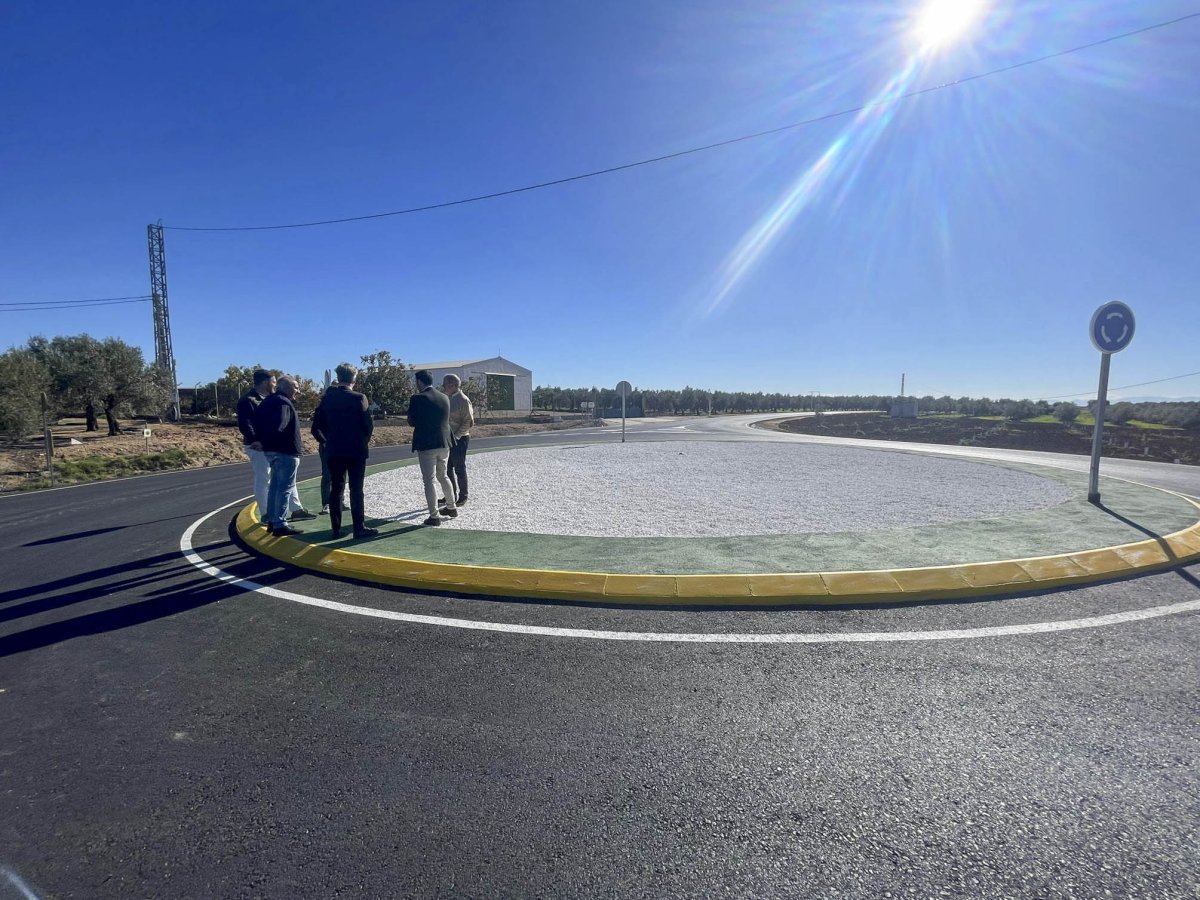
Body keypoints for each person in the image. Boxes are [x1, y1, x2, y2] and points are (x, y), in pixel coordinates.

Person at [236, 369, 315, 525]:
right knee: (264, 478)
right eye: (273, 382)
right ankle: (266, 514)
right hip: (259, 445)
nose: (275, 385)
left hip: (272, 444)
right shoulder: (249, 400)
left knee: (284, 478)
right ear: (266, 382)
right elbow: (246, 424)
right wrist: (257, 441)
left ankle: (295, 509)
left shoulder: (271, 399)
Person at [311, 363, 377, 540]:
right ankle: (358, 527)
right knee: (356, 489)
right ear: (354, 378)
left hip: (334, 450)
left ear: (338, 378)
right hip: (356, 450)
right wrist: (364, 440)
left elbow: (315, 427)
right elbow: (367, 425)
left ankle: (336, 528)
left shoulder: (327, 398)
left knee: (336, 489)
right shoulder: (359, 398)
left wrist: (325, 442)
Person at [253, 375, 305, 536]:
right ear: (286, 387)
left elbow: (256, 423)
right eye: (295, 387)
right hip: (285, 451)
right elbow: (280, 425)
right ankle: (280, 523)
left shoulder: (267, 402)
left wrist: (262, 441)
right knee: (284, 488)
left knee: (275, 487)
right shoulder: (283, 402)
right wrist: (266, 440)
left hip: (271, 451)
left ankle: (272, 520)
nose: (298, 390)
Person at [407, 369, 457, 526]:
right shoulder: (444, 397)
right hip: (444, 442)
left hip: (427, 443)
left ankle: (434, 516)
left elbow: (412, 421)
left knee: (429, 480)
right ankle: (451, 507)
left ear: (419, 382)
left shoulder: (417, 398)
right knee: (444, 476)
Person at [441, 373, 474, 506]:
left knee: (459, 468)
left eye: (445, 385)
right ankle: (450, 494)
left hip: (460, 438)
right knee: (446, 469)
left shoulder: (463, 399)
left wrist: (457, 436)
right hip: (448, 438)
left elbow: (468, 421)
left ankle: (463, 496)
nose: (444, 387)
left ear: (453, 385)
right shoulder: (447, 398)